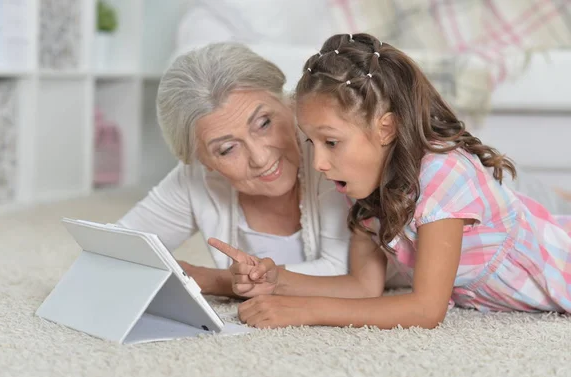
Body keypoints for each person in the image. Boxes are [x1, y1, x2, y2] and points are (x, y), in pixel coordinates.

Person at [207, 33, 571, 329]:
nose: (317, 162)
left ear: (386, 128)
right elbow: (364, 286)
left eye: (331, 142)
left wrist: (305, 311)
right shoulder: (365, 186)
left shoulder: (442, 174)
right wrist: (278, 282)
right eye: (311, 142)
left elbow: (426, 311)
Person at [117, 42, 407, 297]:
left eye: (264, 123)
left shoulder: (327, 152)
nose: (259, 157)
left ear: (289, 102)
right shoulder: (198, 177)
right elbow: (117, 248)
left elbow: (347, 272)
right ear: (203, 161)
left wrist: (215, 280)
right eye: (227, 149)